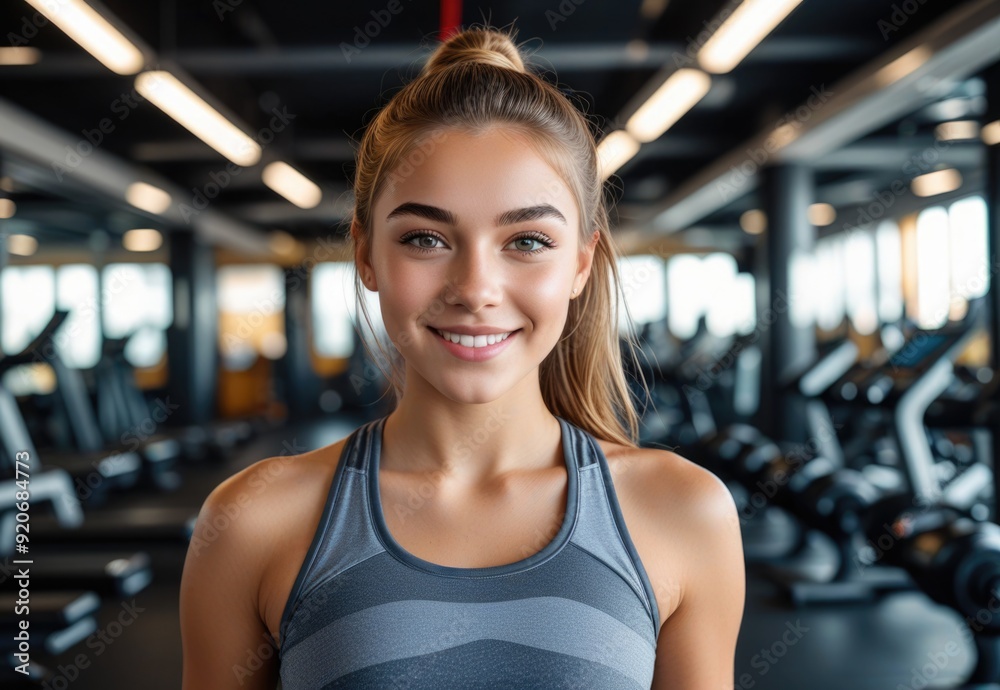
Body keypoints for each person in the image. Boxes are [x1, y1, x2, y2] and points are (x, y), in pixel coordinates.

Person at [180, 24, 745, 690]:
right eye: (425, 238)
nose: (475, 288)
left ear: (581, 264)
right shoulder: (252, 522)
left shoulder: (684, 513)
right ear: (366, 254)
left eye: (528, 241)